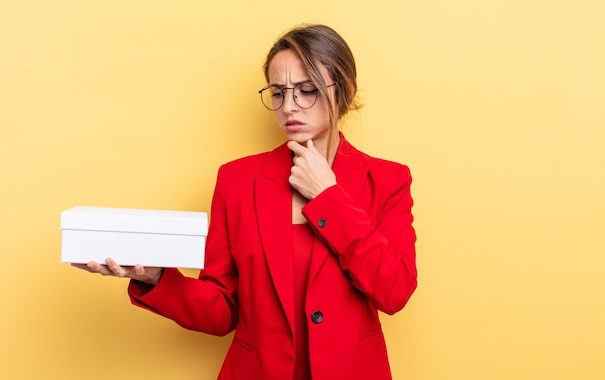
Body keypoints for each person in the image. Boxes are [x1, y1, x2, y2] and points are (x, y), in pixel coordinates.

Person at [74, 23, 417, 380]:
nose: (289, 106)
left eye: (306, 90)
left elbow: (394, 291)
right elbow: (222, 309)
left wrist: (327, 196)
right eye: (279, 93)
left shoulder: (388, 181)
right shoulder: (237, 181)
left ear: (343, 91)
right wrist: (156, 277)